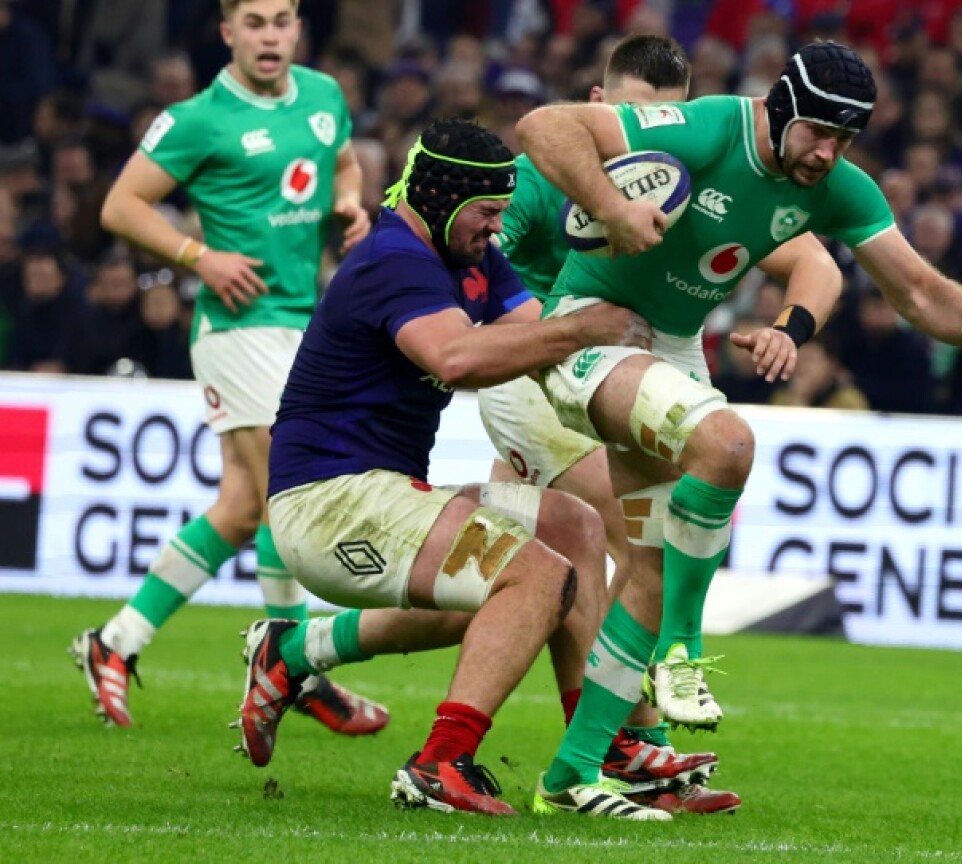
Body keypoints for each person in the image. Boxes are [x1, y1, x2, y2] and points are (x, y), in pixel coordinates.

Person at [514, 40, 962, 814]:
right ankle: (684, 651)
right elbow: (543, 125)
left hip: (668, 349)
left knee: (650, 572)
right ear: (779, 107)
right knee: (728, 443)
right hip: (587, 333)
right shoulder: (704, 128)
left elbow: (922, 295)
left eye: (846, 140)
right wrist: (611, 209)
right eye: (818, 133)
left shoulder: (839, 186)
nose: (829, 153)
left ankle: (569, 780)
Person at [236, 117, 667, 819]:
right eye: (488, 212)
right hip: (329, 499)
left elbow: (535, 330)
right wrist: (582, 328)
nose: (497, 229)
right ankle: (440, 763)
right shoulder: (395, 258)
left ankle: (595, 751)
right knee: (536, 577)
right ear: (443, 197)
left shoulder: (468, 257)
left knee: (573, 528)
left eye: (502, 211)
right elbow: (458, 360)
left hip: (387, 490)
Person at [480, 33, 782, 816]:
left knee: (522, 570)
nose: (658, 142)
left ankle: (306, 648)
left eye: (672, 123)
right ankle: (627, 745)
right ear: (599, 108)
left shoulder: (683, 178)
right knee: (628, 536)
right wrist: (568, 326)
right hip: (535, 375)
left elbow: (807, 252)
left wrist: (792, 320)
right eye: (640, 120)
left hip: (621, 376)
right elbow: (482, 274)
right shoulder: (537, 180)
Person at [69, 0, 385, 736]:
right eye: (254, 22)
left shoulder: (323, 96)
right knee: (287, 485)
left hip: (301, 323)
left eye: (281, 21)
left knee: (244, 507)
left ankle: (114, 643)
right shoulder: (197, 119)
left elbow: (341, 161)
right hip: (237, 325)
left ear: (298, 29)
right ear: (227, 32)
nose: (269, 35)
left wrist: (348, 205)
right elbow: (122, 205)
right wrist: (197, 255)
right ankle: (290, 664)